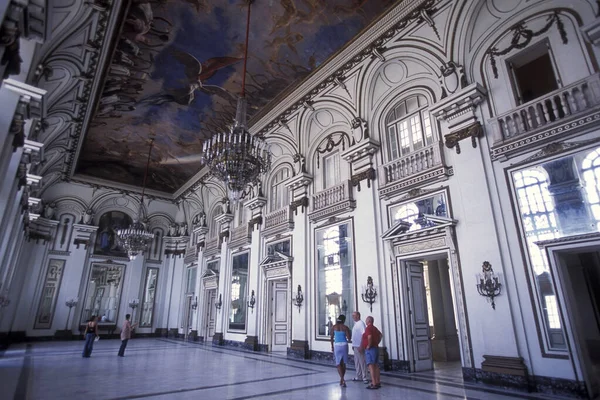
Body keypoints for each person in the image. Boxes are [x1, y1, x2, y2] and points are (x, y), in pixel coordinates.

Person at [330, 314, 351, 387]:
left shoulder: (334, 327)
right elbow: (349, 338)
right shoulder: (345, 327)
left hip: (337, 345)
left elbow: (331, 337)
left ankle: (342, 379)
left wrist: (332, 346)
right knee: (344, 363)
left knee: (338, 363)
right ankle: (342, 379)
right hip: (344, 345)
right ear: (344, 320)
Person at [362, 316, 382, 389]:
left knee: (371, 366)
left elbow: (369, 337)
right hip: (375, 348)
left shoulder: (368, 328)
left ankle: (373, 383)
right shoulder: (375, 328)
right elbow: (380, 335)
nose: (365, 321)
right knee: (376, 366)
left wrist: (369, 345)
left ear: (369, 321)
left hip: (370, 349)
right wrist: (377, 342)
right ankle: (377, 381)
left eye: (366, 320)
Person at [351, 311, 369, 384]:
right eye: (352, 315)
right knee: (357, 362)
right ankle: (359, 376)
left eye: (354, 315)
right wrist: (353, 345)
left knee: (362, 362)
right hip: (355, 346)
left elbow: (364, 335)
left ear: (358, 316)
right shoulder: (356, 324)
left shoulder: (361, 324)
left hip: (359, 346)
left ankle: (365, 377)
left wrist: (361, 345)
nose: (353, 317)